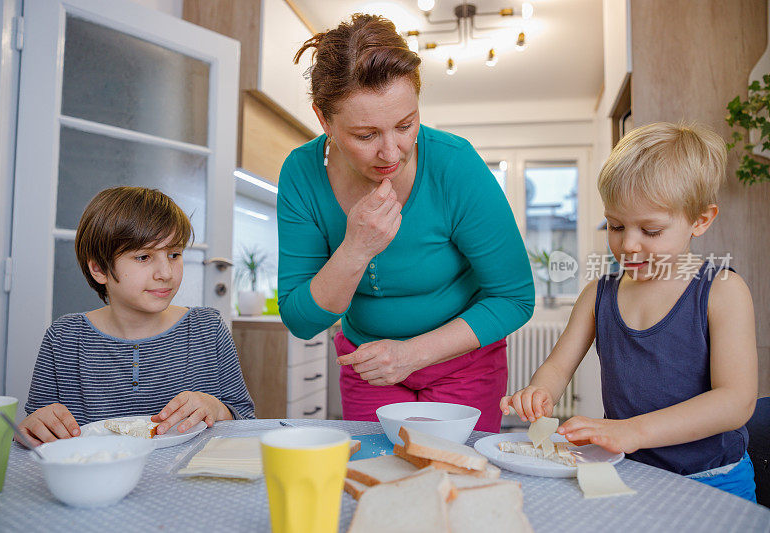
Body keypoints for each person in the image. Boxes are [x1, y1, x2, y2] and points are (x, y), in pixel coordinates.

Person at [278, 14, 534, 432]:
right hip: (369, 365)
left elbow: (515, 297)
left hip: (463, 366)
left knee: (454, 479)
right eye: (365, 135)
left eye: (405, 125)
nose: (391, 152)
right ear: (324, 121)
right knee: (378, 480)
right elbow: (302, 319)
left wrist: (412, 353)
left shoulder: (455, 165)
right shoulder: (300, 174)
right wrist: (355, 248)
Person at [501, 122, 757, 501]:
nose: (629, 245)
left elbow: (735, 402)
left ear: (700, 220)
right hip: (630, 473)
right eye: (616, 225)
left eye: (650, 231)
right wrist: (540, 391)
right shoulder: (597, 294)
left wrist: (634, 430)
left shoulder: (722, 291)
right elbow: (558, 367)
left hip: (713, 478)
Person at [19, 187, 255, 445]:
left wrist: (218, 408)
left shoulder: (207, 329)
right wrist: (33, 426)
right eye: (143, 257)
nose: (165, 272)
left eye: (174, 254)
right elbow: (37, 430)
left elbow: (246, 419)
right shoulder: (64, 338)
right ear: (98, 268)